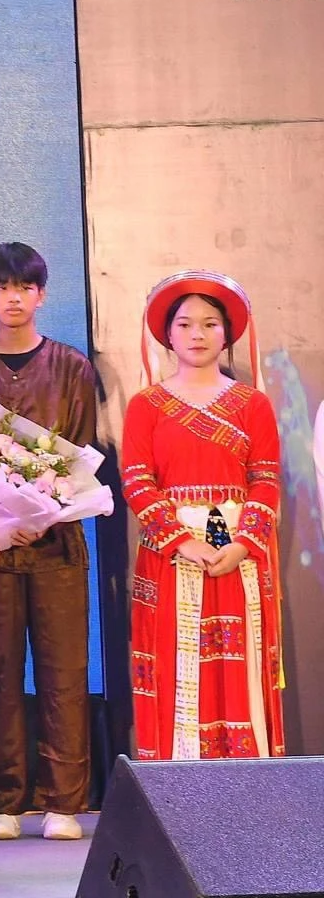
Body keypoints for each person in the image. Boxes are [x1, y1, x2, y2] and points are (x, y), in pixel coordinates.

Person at [0, 242, 97, 843]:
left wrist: (47, 507)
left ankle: (64, 801)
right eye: (1, 287)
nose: (13, 298)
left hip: (57, 544)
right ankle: (2, 799)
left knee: (65, 672)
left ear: (41, 294)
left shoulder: (72, 367)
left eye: (25, 287)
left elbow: (81, 457)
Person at [122, 270, 283, 762]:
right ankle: (179, 785)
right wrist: (181, 541)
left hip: (240, 557)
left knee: (240, 667)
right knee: (175, 662)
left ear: (226, 334)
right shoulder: (146, 405)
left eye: (210, 324)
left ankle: (248, 784)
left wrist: (243, 544)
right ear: (168, 334)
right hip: (171, 559)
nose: (197, 334)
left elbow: (266, 480)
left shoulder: (252, 404)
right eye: (186, 324)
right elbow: (136, 481)